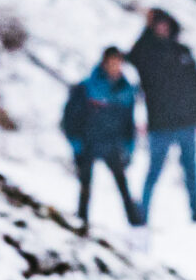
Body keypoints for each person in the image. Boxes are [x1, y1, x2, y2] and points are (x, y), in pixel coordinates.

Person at [124, 7, 196, 224]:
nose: (162, 29)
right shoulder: (147, 54)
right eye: (157, 25)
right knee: (154, 171)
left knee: (191, 171)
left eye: (165, 25)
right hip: (160, 124)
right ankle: (143, 215)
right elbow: (132, 56)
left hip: (186, 122)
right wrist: (145, 28)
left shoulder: (182, 51)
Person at [61, 48, 142, 232]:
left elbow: (129, 123)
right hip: (88, 144)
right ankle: (81, 224)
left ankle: (136, 226)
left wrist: (128, 148)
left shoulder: (126, 91)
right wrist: (76, 144)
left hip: (112, 145)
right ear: (104, 63)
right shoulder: (86, 88)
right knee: (85, 187)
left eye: (118, 62)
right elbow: (69, 118)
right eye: (112, 62)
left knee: (123, 186)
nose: (115, 66)